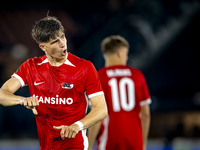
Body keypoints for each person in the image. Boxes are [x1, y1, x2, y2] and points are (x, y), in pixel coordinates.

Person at [0, 16, 108, 150]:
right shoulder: (31, 67)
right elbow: (2, 95)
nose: (63, 43)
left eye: (63, 37)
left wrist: (77, 126)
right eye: (55, 42)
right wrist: (22, 100)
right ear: (43, 47)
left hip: (76, 145)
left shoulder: (84, 68)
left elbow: (101, 109)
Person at [88, 35, 151, 150]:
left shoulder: (99, 77)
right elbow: (145, 114)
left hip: (109, 142)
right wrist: (143, 144)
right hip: (135, 143)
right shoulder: (137, 76)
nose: (126, 58)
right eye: (126, 54)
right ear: (119, 53)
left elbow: (97, 116)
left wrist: (88, 145)